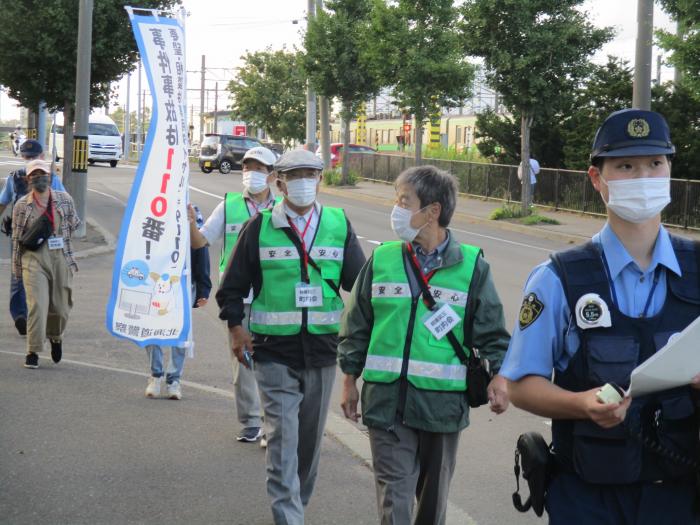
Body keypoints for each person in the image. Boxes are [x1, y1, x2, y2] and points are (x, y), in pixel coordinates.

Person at [500, 109, 700, 524]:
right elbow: (520, 385)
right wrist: (578, 403)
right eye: (626, 166)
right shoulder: (558, 277)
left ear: (668, 173)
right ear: (597, 179)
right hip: (587, 498)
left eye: (655, 164)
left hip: (680, 496)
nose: (643, 177)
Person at [337, 165, 511, 525]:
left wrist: (499, 378)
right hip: (386, 404)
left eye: (404, 201)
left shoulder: (472, 267)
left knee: (432, 505)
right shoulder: (382, 259)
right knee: (394, 498)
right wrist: (349, 379)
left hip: (442, 408)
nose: (396, 209)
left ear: (432, 211)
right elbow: (357, 323)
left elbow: (493, 334)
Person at [216, 149, 366, 525]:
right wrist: (237, 329)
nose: (303, 181)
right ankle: (288, 517)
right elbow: (231, 287)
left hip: (321, 350)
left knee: (309, 443)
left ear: (320, 179)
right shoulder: (260, 226)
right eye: (295, 174)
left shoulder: (337, 223)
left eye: (310, 174)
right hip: (272, 351)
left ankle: (296, 504)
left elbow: (360, 286)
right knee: (283, 438)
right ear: (279, 182)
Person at [189, 146, 279, 443]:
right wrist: (190, 223)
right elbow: (202, 241)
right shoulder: (228, 205)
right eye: (247, 167)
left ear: (272, 175)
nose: (251, 173)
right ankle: (252, 422)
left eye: (258, 168)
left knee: (272, 362)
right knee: (243, 363)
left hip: (274, 297)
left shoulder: (283, 208)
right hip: (238, 297)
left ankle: (272, 423)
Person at [11, 159, 80, 369]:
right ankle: (32, 351)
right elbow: (16, 239)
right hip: (33, 258)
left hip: (60, 257)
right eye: (35, 175)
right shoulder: (22, 205)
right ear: (28, 180)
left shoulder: (64, 199)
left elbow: (74, 224)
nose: (39, 178)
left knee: (60, 306)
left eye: (43, 174)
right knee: (37, 305)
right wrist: (17, 268)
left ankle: (56, 337)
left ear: (50, 177)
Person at [1, 139, 67, 336]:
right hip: (44, 237)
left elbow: (3, 202)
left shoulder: (14, 177)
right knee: (41, 276)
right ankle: (31, 317)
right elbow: (64, 204)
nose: (29, 160)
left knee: (19, 276)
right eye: (28, 157)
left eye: (31, 157)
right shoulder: (51, 178)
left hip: (22, 236)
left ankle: (22, 315)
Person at [145, 205, 212, 400]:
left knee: (181, 332)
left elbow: (200, 248)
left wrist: (203, 287)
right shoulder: (152, 206)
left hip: (183, 281)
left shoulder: (191, 209)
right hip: (155, 281)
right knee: (152, 329)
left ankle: (174, 379)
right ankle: (155, 375)